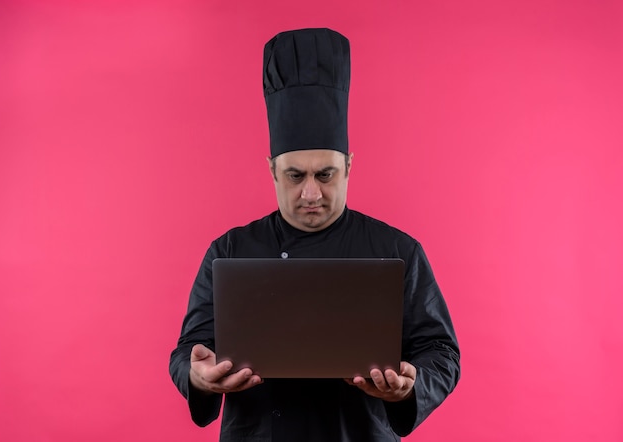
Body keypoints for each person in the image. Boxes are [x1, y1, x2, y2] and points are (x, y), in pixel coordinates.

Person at [169, 28, 460, 441]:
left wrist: (412, 385)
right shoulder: (231, 250)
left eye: (326, 175)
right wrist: (198, 376)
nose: (311, 193)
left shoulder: (397, 250)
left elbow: (441, 352)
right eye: (294, 176)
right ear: (272, 170)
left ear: (349, 166)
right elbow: (189, 349)